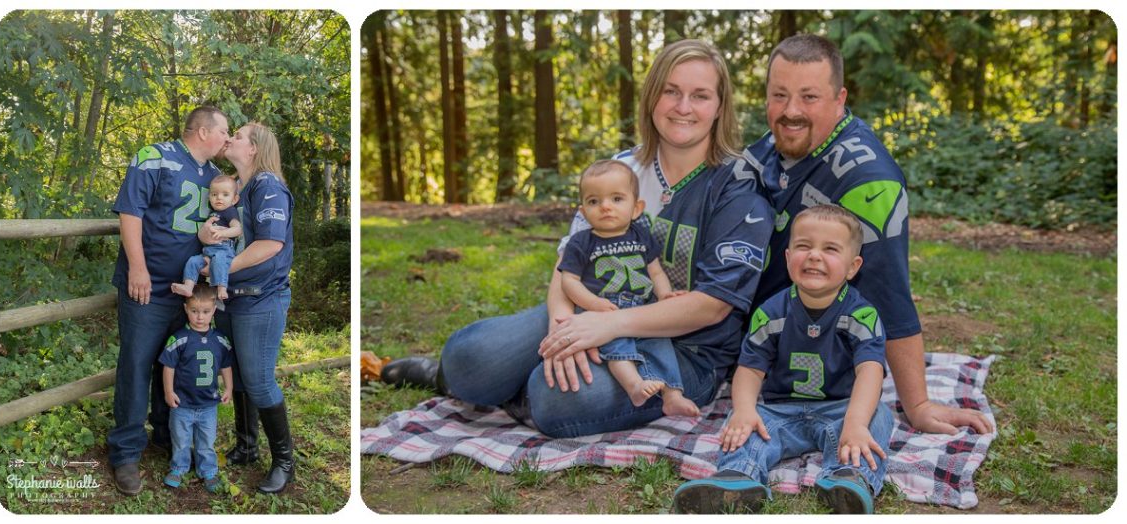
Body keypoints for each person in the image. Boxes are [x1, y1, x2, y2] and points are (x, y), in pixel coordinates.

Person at [383, 39, 774, 437]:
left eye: (700, 95)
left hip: (685, 351)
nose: (683, 107)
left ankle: (520, 392)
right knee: (470, 357)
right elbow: (567, 262)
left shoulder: (738, 186)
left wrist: (607, 328)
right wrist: (562, 324)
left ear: (720, 106)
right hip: (590, 311)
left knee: (556, 397)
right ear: (652, 95)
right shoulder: (621, 170)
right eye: (670, 90)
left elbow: (711, 307)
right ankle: (474, 381)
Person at [743, 34, 993, 437]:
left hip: (805, 356)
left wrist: (918, 404)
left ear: (839, 99)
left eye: (809, 97)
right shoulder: (766, 149)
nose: (791, 111)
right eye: (779, 95)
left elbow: (889, 293)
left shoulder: (868, 182)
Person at [673, 205, 894, 514]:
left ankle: (848, 479)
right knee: (743, 422)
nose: (814, 255)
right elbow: (750, 369)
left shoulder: (861, 314)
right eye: (804, 246)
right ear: (789, 258)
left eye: (830, 249)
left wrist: (855, 422)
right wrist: (745, 409)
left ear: (852, 266)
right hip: (780, 411)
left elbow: (870, 371)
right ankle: (738, 477)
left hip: (840, 408)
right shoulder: (771, 312)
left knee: (878, 416)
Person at [108, 105, 230, 495]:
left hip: (189, 293)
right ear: (203, 132)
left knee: (176, 363)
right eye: (224, 131)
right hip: (148, 285)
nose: (227, 139)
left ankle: (165, 435)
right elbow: (131, 214)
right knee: (136, 365)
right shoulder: (154, 157)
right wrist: (138, 269)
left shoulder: (215, 178)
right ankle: (126, 452)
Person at [556, 159, 697, 417]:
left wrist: (665, 295)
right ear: (583, 212)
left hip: (642, 307)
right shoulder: (581, 242)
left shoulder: (641, 235)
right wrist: (592, 304)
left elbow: (655, 270)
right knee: (618, 347)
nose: (606, 207)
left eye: (617, 199)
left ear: (636, 208)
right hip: (603, 309)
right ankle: (634, 385)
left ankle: (672, 394)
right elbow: (568, 281)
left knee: (660, 343)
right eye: (594, 201)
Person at [203, 122, 296, 494]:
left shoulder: (268, 185)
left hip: (262, 298)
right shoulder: (236, 190)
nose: (230, 139)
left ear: (254, 148)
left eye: (238, 136)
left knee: (258, 380)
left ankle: (285, 462)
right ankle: (246, 446)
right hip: (233, 298)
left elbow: (270, 245)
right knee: (239, 375)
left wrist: (221, 269)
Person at [159, 284, 235, 494]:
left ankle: (208, 470)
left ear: (214, 310)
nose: (200, 317)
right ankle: (179, 467)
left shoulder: (220, 340)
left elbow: (226, 365)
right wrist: (168, 391)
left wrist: (228, 387)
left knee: (206, 441)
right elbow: (168, 366)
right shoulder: (179, 338)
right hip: (182, 403)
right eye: (194, 311)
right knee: (181, 439)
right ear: (186, 309)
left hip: (208, 404)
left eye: (205, 312)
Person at [172, 175, 243, 301]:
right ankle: (188, 287)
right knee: (193, 261)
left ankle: (221, 288)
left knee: (220, 260)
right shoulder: (213, 212)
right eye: (214, 194)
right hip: (208, 250)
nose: (219, 198)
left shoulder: (230, 211)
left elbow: (237, 229)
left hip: (223, 249)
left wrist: (223, 233)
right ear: (209, 197)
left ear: (234, 199)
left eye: (225, 195)